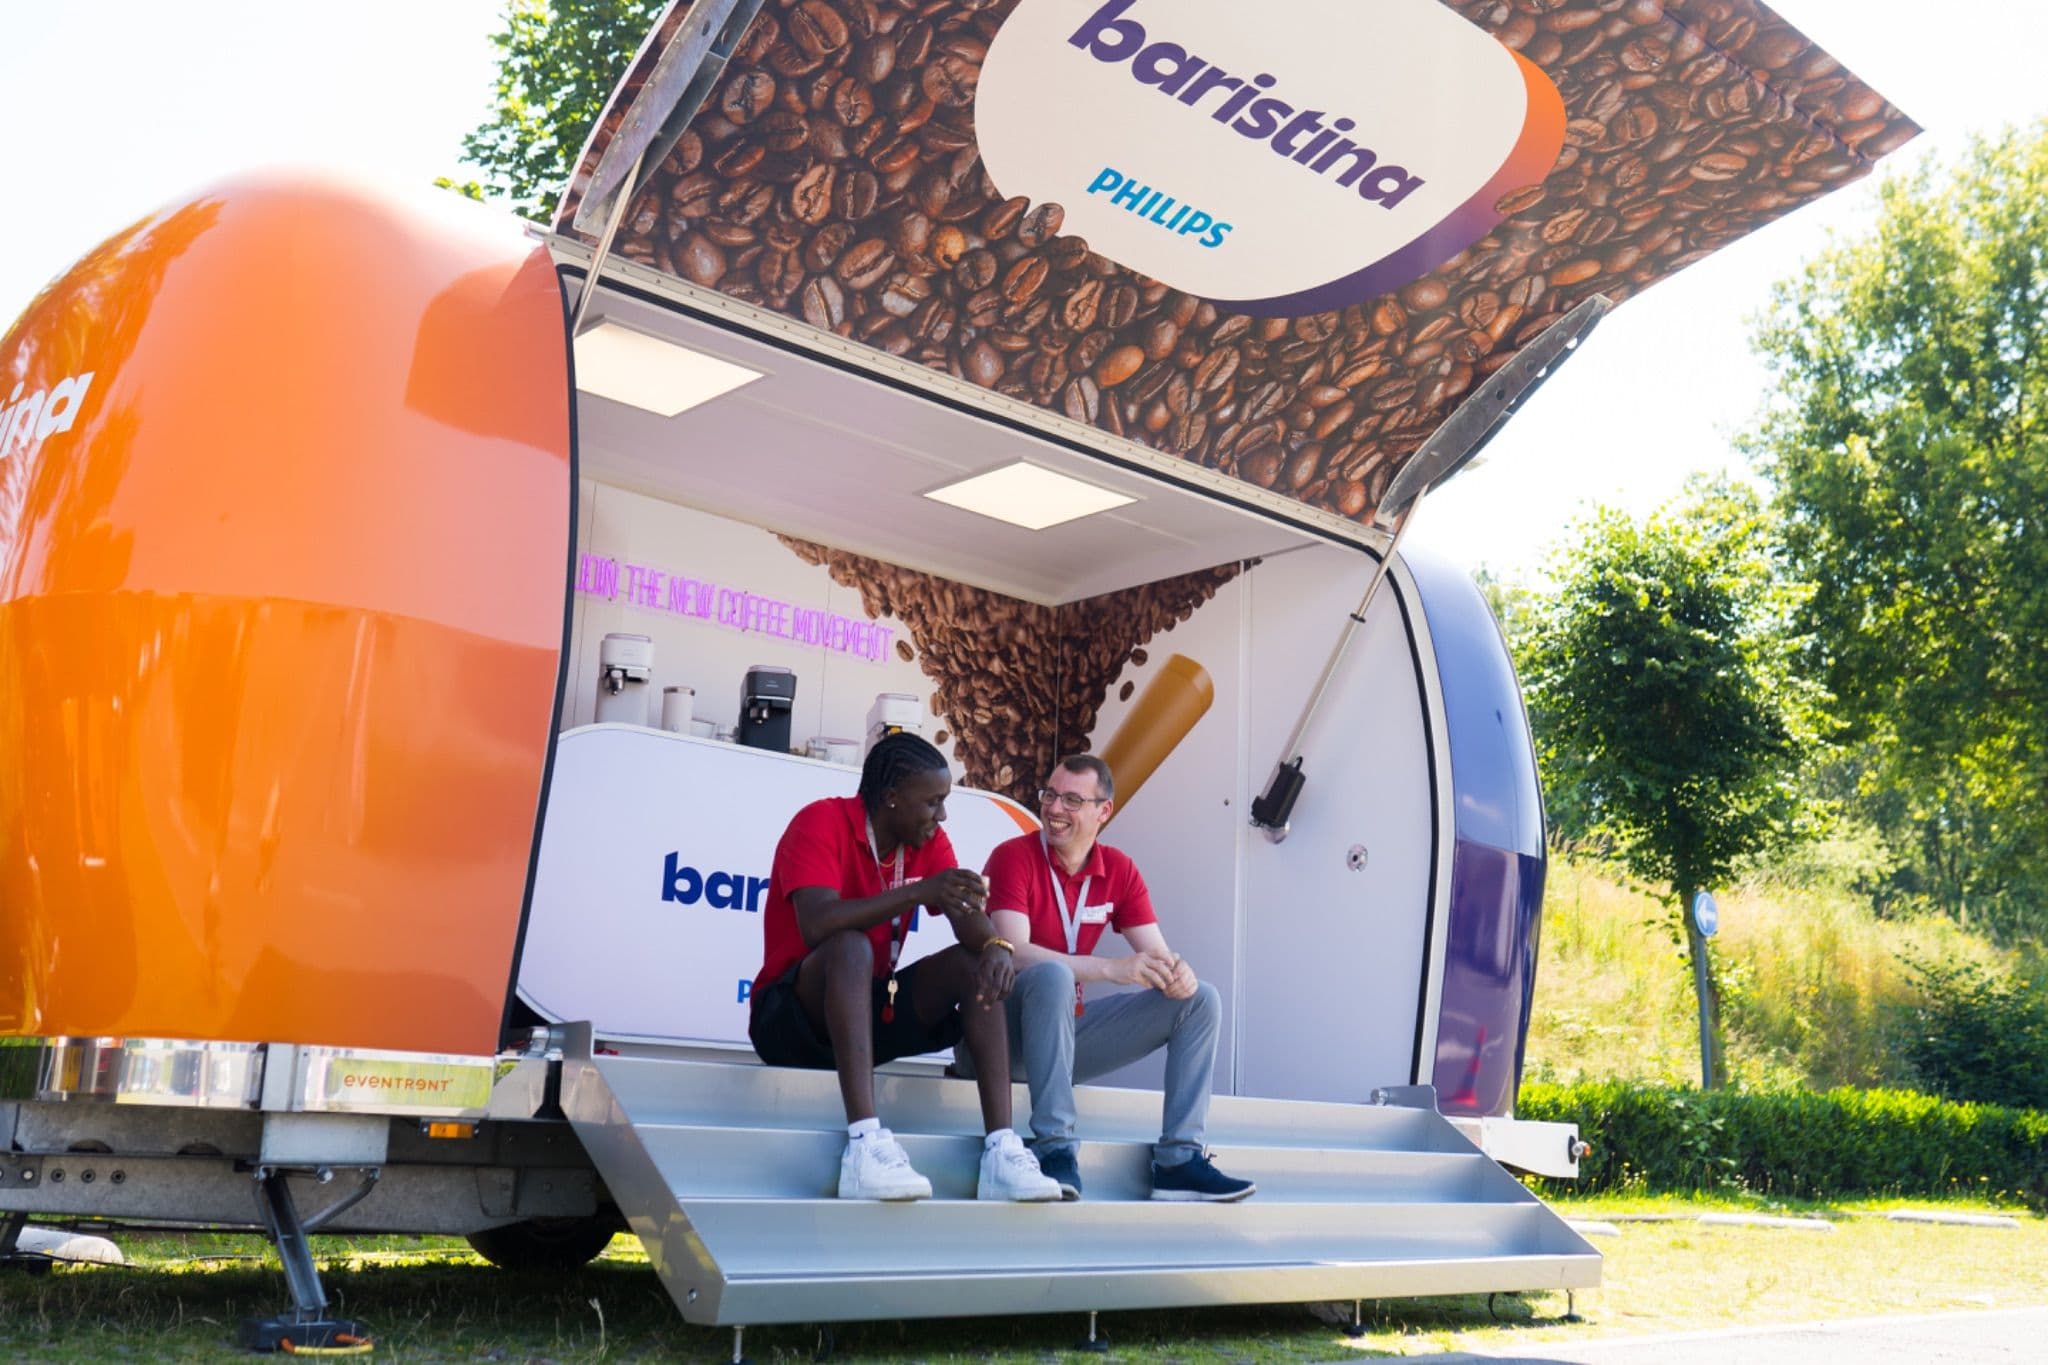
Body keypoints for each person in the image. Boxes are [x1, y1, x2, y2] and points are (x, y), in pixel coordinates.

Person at [748, 732, 1060, 1203]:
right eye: (933, 802)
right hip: (789, 1021)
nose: (942, 815)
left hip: (863, 1019)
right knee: (850, 947)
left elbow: (965, 914)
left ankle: (1001, 1150)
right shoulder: (820, 822)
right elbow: (817, 925)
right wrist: (917, 892)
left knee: (975, 962)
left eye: (945, 802)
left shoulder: (926, 839)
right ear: (892, 798)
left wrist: (996, 943)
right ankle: (865, 1145)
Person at [967, 753, 1255, 1202]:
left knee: (1202, 1000)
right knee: (1050, 978)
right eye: (1049, 795)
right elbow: (1014, 953)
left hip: (1064, 1041)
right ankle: (1054, 1149)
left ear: (1104, 811)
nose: (1054, 809)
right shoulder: (1013, 856)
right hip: (999, 1043)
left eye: (1072, 800)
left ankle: (1179, 1160)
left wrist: (1178, 974)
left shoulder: (1119, 869)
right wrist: (1111, 970)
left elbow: (1158, 955)